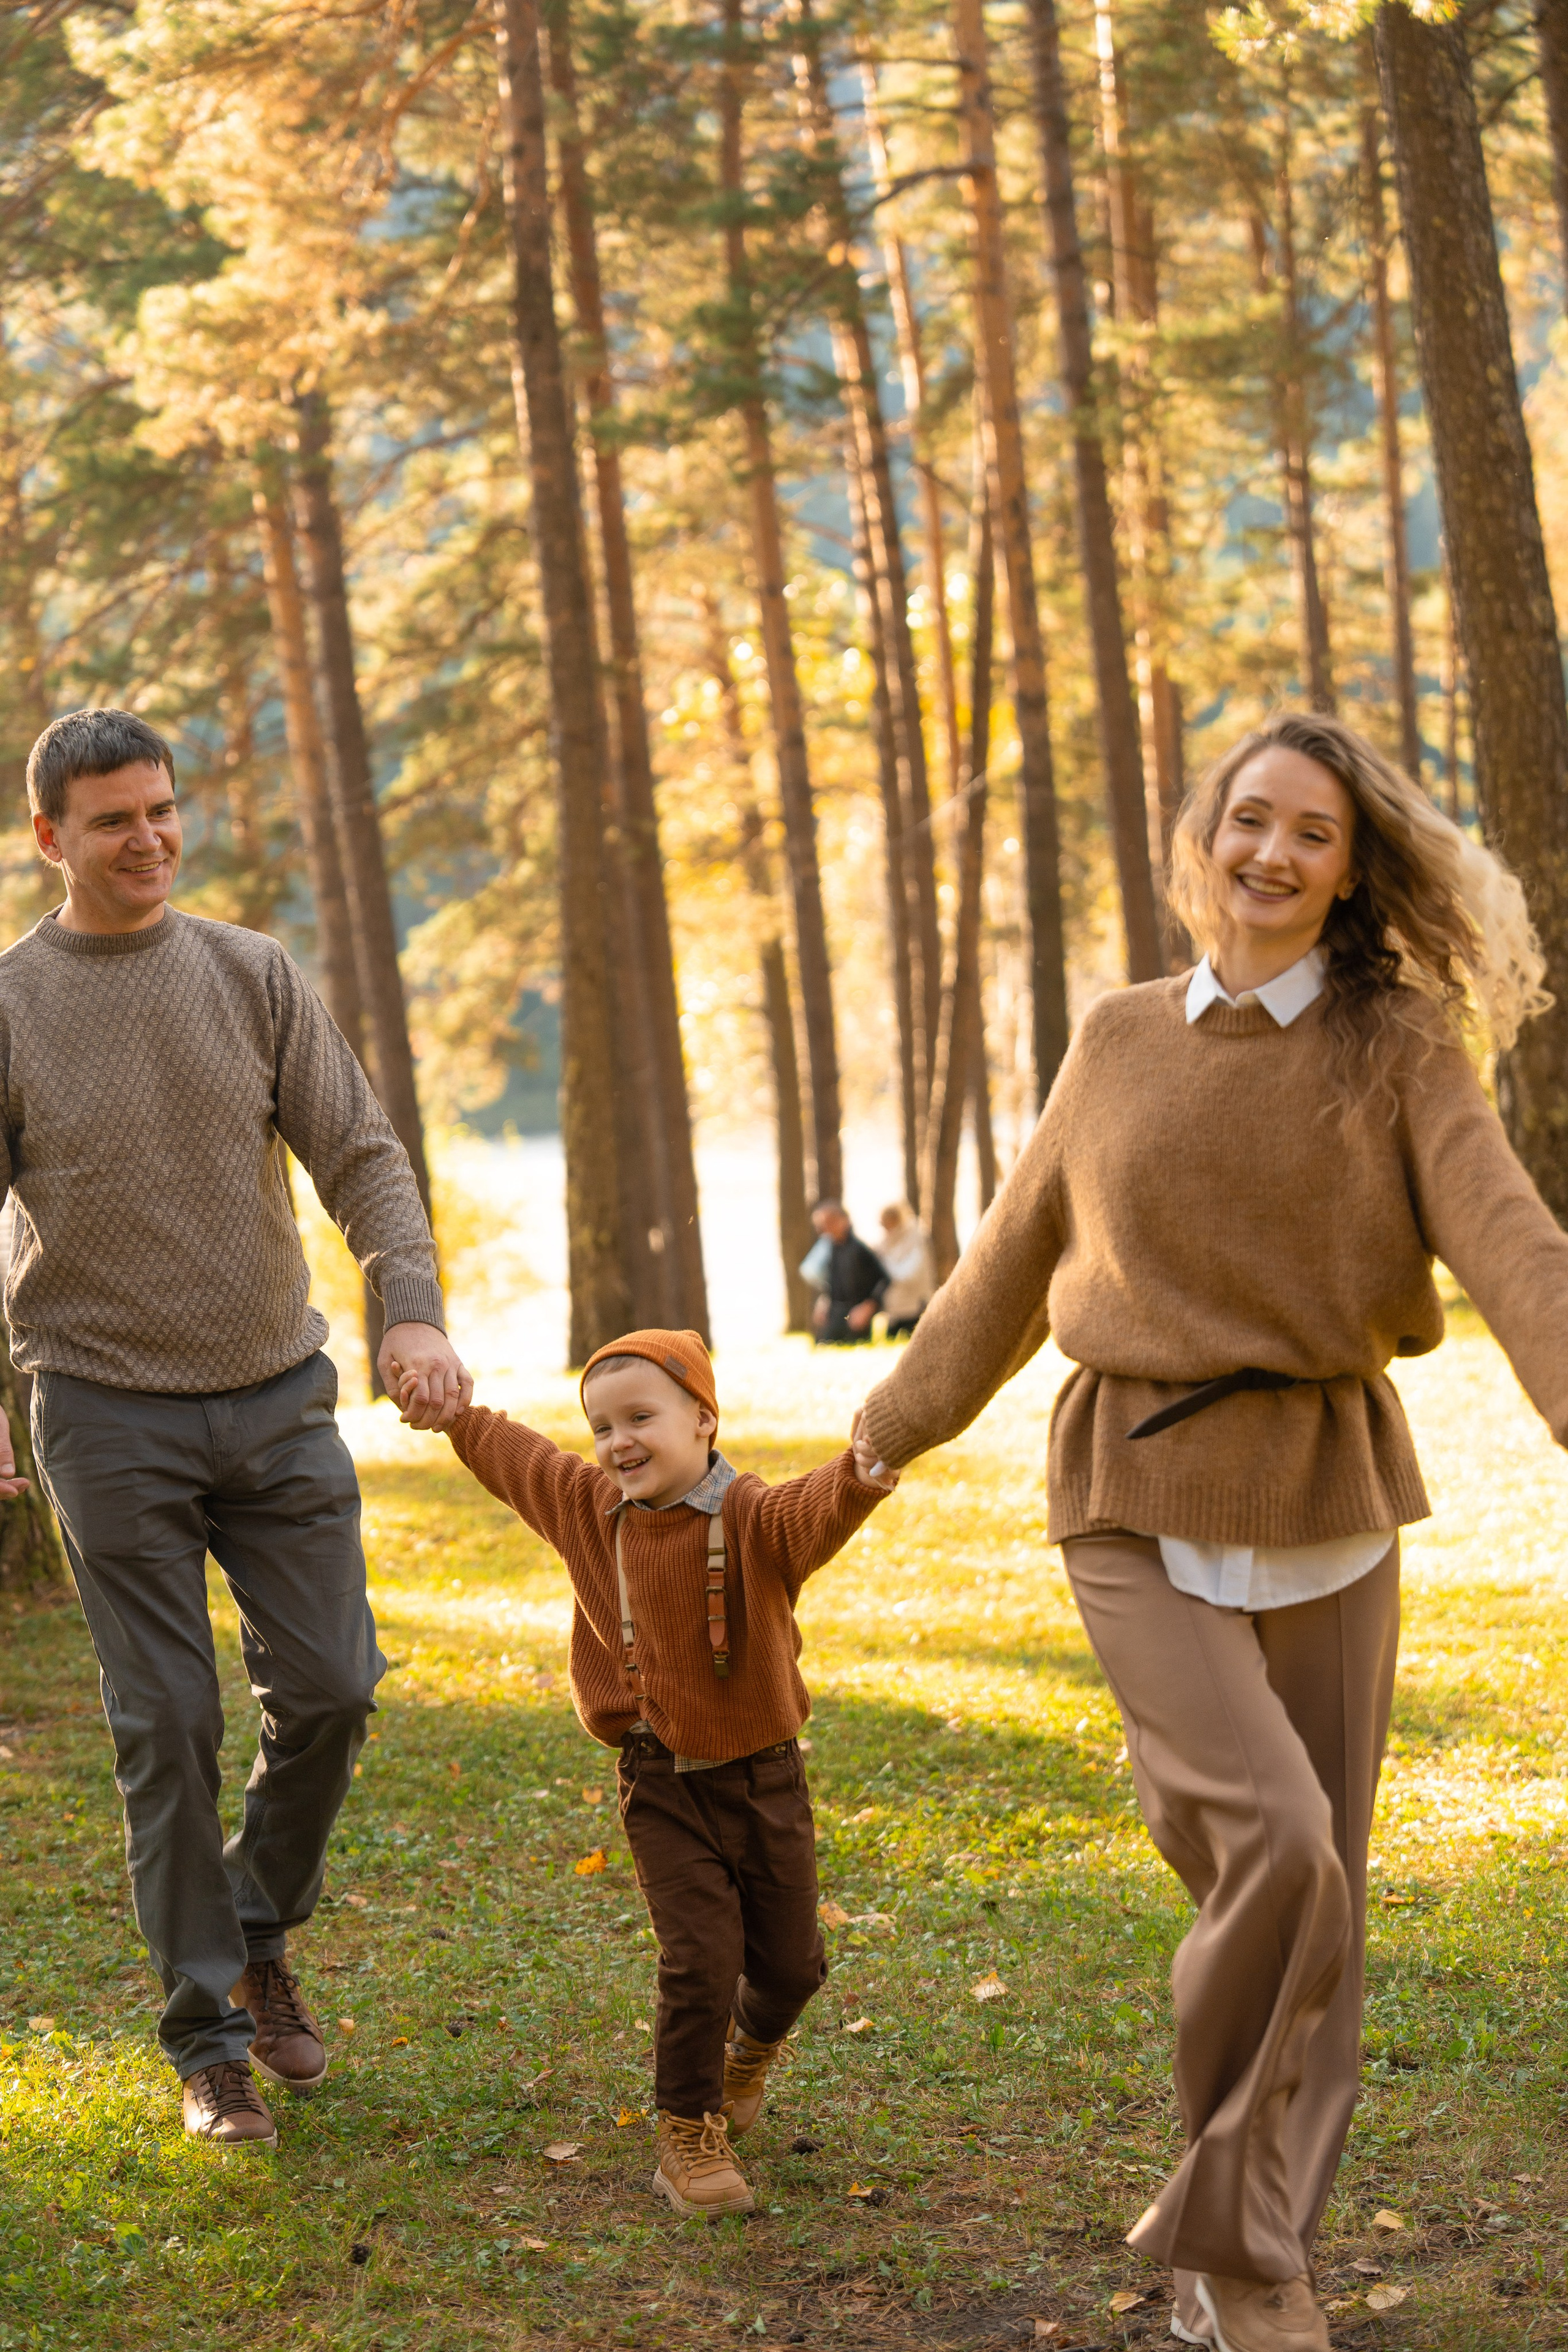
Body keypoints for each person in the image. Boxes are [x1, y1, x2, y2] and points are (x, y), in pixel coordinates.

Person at [853, 710, 1568, 2352]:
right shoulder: (1115, 1040)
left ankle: (1241, 2259)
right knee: (1279, 1852)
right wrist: (880, 1439)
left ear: (1351, 868)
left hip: (1326, 1496)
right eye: (1251, 820)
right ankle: (1234, 2238)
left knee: (1323, 1902)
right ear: (1203, 835)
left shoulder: (1399, 1048)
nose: (1272, 854)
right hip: (1134, 1490)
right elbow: (1009, 1260)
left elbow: (1510, 1235)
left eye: (1313, 834)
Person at [2, 708, 470, 2150]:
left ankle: (257, 1921)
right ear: (49, 839)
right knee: (167, 1723)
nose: (146, 838)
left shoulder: (249, 973)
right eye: (110, 820)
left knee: (332, 1683)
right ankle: (210, 2037)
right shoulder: (12, 1002)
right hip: (99, 1404)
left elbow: (363, 1155)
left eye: (159, 809)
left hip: (275, 1392)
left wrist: (408, 1306)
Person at [404, 1326, 897, 2217]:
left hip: (765, 1777)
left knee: (790, 1966)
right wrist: (454, 1414)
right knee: (701, 1956)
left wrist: (861, 1468)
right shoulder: (589, 1509)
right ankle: (687, 2135)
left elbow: (812, 1512)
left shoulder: (749, 1517)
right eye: (602, 1425)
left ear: (703, 1419)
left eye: (641, 1416)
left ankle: (748, 2055)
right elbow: (516, 1457)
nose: (618, 1440)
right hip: (662, 1782)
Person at [808, 1199, 888, 1345]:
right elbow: (833, 1282)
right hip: (835, 1314)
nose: (825, 1229)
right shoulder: (832, 1248)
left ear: (843, 1221)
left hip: (856, 1318)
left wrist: (869, 1306)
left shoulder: (860, 1249)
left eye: (829, 1222)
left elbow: (884, 1280)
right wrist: (825, 1300)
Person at [876, 1202, 933, 1338]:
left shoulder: (915, 1238)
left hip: (915, 1306)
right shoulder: (884, 1243)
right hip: (894, 1311)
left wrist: (885, 1267)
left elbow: (911, 1275)